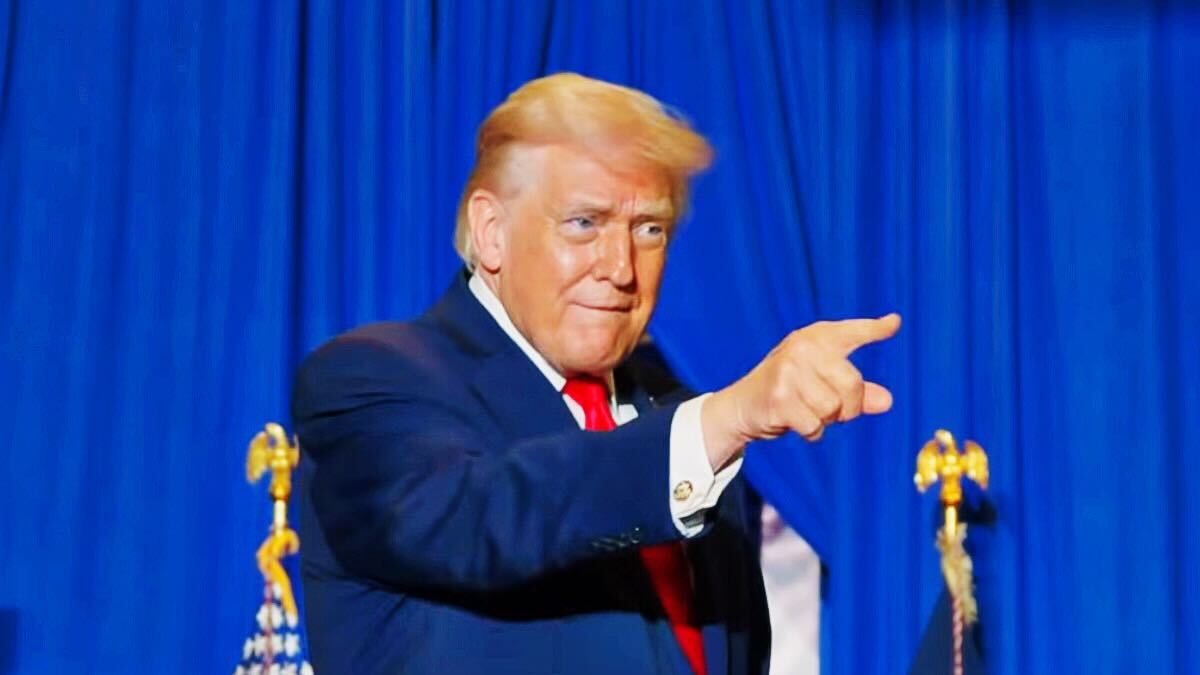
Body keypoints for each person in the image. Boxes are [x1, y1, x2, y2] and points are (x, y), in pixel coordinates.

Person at [292, 73, 900, 675]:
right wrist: (723, 421)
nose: (621, 268)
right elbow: (482, 518)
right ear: (491, 232)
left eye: (649, 229)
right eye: (584, 222)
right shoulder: (369, 380)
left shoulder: (681, 418)